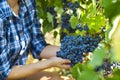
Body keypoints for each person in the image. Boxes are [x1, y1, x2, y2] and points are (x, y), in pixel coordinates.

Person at [0, 0, 71, 80]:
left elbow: (37, 45)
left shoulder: (27, 3)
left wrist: (68, 52)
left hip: (17, 74)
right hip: (6, 75)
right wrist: (49, 63)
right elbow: (4, 73)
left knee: (55, 78)